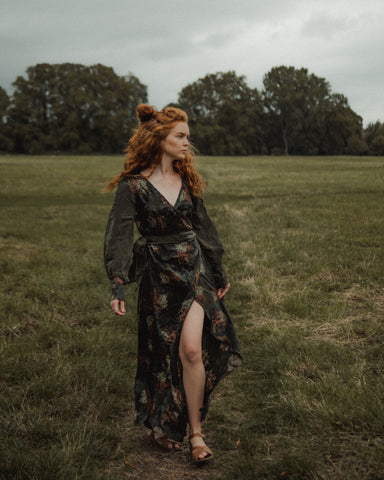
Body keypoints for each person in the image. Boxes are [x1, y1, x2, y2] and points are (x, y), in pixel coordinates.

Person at [104, 104, 242, 464]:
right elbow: (118, 235)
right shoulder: (132, 186)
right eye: (180, 137)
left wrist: (217, 268)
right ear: (159, 138)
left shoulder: (188, 179)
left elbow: (203, 226)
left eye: (187, 137)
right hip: (157, 274)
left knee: (192, 350)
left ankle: (197, 434)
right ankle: (163, 424)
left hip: (194, 270)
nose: (187, 144)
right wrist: (118, 281)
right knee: (160, 352)